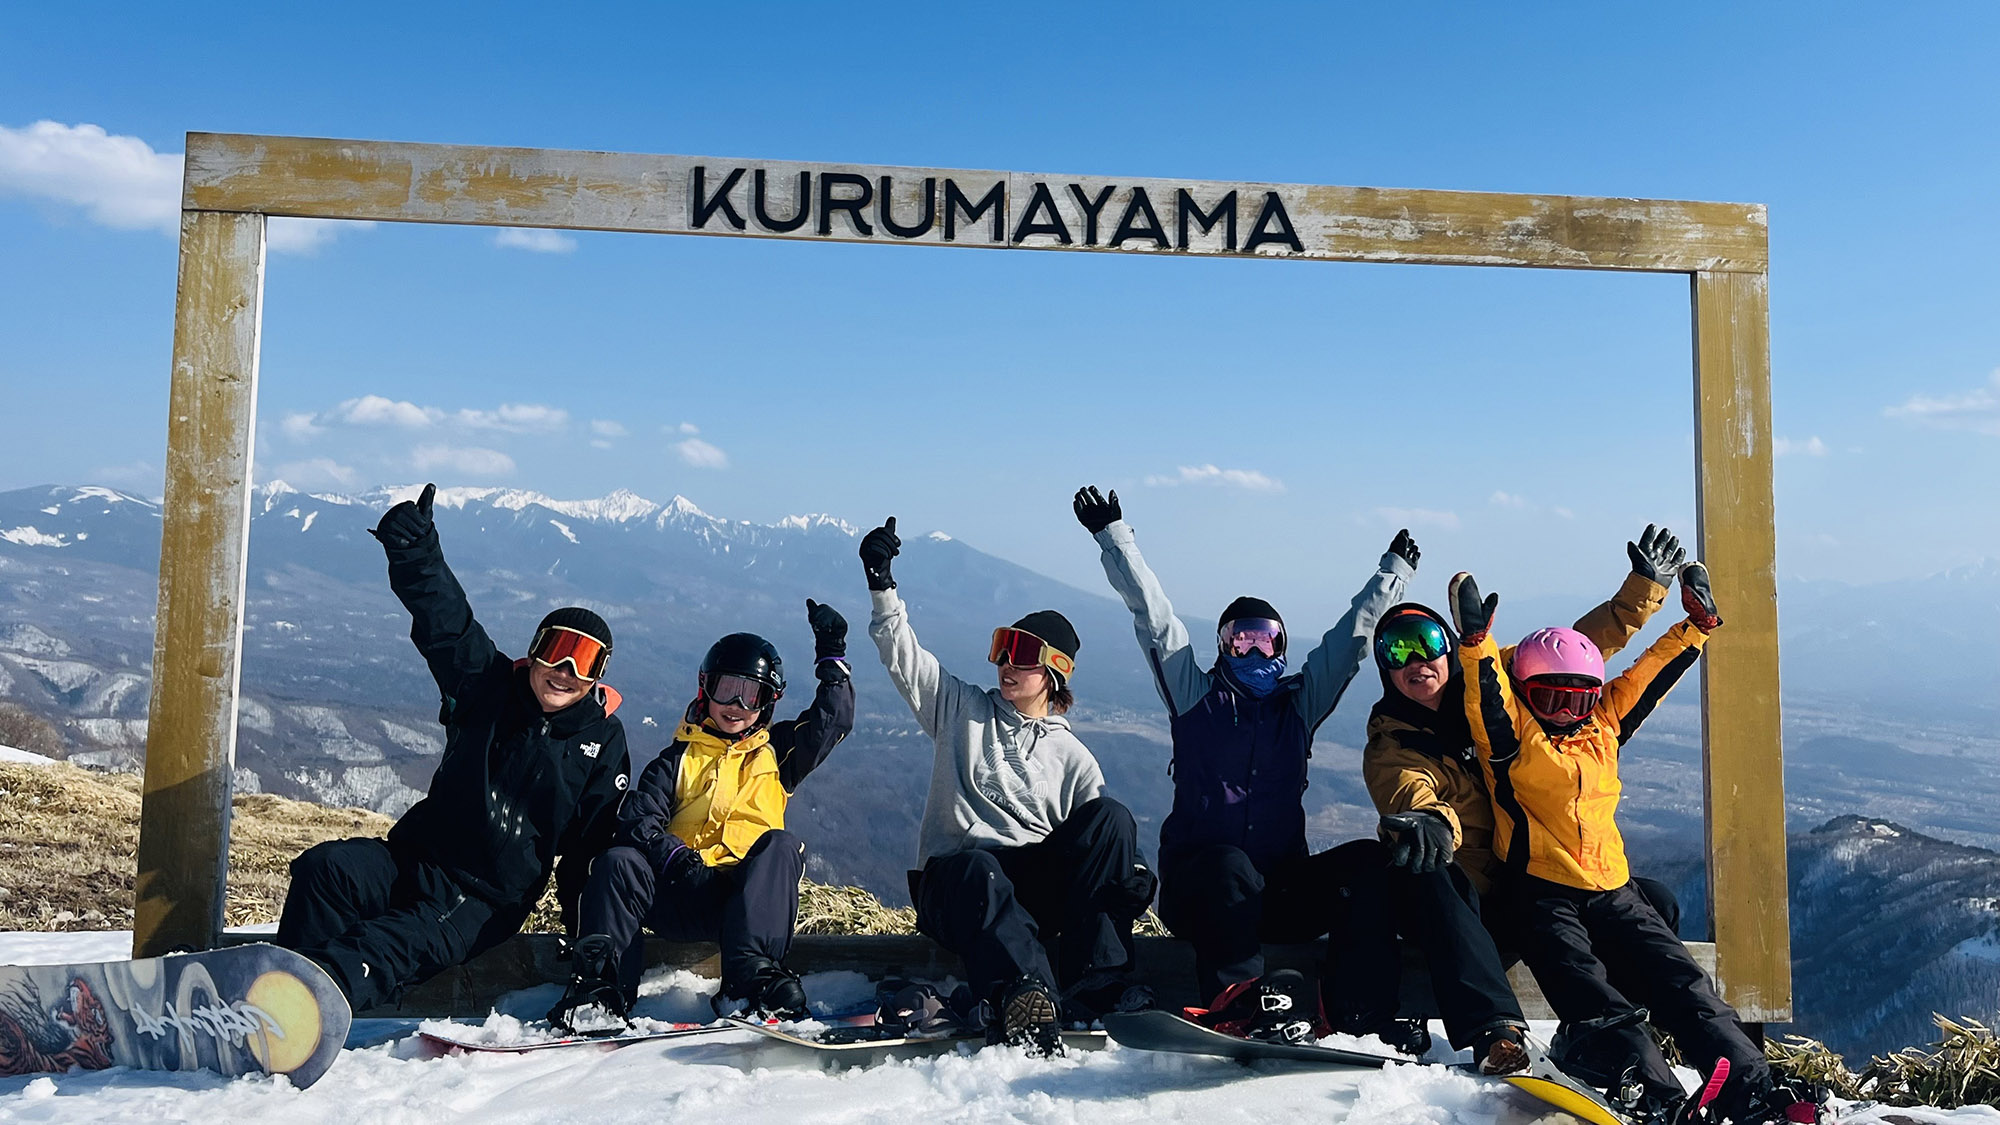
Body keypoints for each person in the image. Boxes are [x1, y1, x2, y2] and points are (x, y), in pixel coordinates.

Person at [1074, 485, 1433, 1057]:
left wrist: (1392, 577)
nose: (1255, 653)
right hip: (1203, 893)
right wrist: (1114, 537)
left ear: (1283, 648)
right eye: (1241, 640)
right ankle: (1235, 1004)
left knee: (1367, 861)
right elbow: (1155, 619)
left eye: (1267, 640)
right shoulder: (1196, 698)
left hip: (1276, 890)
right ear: (1222, 648)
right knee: (1229, 864)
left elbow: (1348, 644)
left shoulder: (1298, 706)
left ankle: (1359, 1010)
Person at [1450, 560, 1792, 1124]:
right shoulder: (1514, 740)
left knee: (1683, 980)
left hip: (1613, 886)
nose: (1566, 711)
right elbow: (1486, 697)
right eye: (1550, 697)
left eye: (1578, 698)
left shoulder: (1603, 725)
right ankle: (1649, 1084)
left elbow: (1646, 676)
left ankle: (1750, 1085)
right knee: (1591, 992)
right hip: (1538, 890)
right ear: (1525, 692)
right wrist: (1477, 647)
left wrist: (1697, 627)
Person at [276, 483, 631, 1013]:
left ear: (598, 676)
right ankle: (284, 1002)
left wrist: (590, 943)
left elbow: (589, 850)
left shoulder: (602, 742)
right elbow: (446, 626)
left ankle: (294, 1008)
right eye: (558, 652)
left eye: (585, 661)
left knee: (383, 947)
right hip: (413, 859)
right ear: (534, 653)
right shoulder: (487, 689)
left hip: (480, 900)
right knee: (326, 871)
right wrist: (414, 550)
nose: (566, 672)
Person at [1360, 527, 1690, 1074]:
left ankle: (1594, 1031)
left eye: (1430, 644)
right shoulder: (1392, 741)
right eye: (1398, 650)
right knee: (1432, 870)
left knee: (1653, 903)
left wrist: (1641, 592)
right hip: (1468, 904)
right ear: (1386, 669)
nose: (1417, 660)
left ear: (1451, 647)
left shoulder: (1491, 679)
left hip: (1530, 886)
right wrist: (1433, 820)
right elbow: (1408, 790)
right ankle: (1495, 1033)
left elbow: (1574, 650)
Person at [862, 516, 1153, 1057]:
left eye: (1023, 656)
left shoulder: (1075, 760)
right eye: (1004, 650)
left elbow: (1093, 853)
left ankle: (1100, 984)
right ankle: (1028, 993)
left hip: (1029, 890)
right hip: (958, 884)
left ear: (1054, 674)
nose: (1006, 665)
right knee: (981, 868)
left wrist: (1131, 878)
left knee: (1113, 818)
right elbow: (905, 661)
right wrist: (882, 586)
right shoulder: (962, 709)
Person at [548, 603, 855, 1030]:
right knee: (618, 861)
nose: (736, 704)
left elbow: (831, 720)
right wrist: (673, 858)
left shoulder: (778, 753)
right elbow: (638, 820)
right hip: (676, 890)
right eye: (727, 688)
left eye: (752, 695)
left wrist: (832, 657)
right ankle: (603, 989)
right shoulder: (677, 759)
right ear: (705, 689)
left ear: (768, 703)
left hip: (743, 902)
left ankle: (748, 984)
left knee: (781, 846)